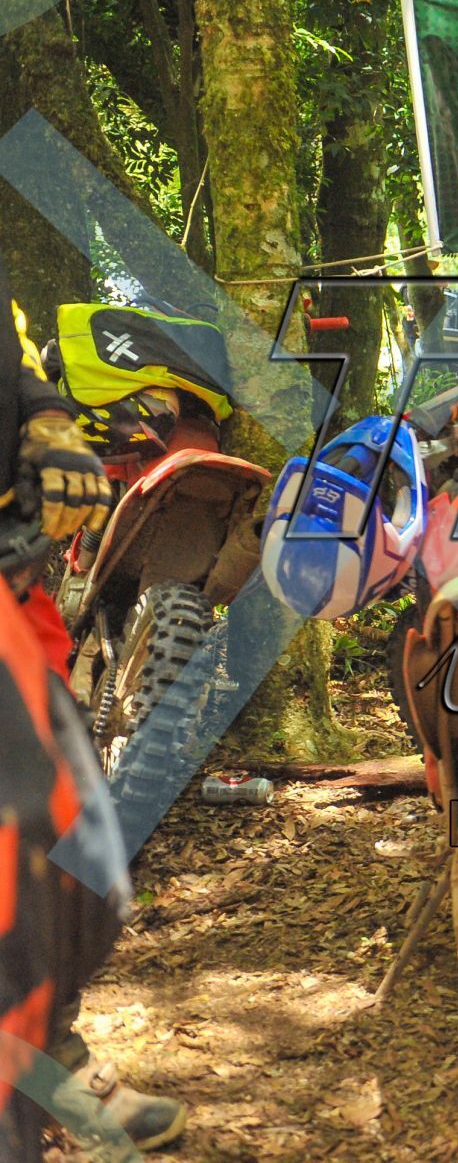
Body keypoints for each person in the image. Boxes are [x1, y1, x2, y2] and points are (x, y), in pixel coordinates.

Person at [1, 292, 183, 1152]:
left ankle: (49, 1059)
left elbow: (14, 357)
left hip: (13, 588)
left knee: (73, 848)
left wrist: (47, 420)